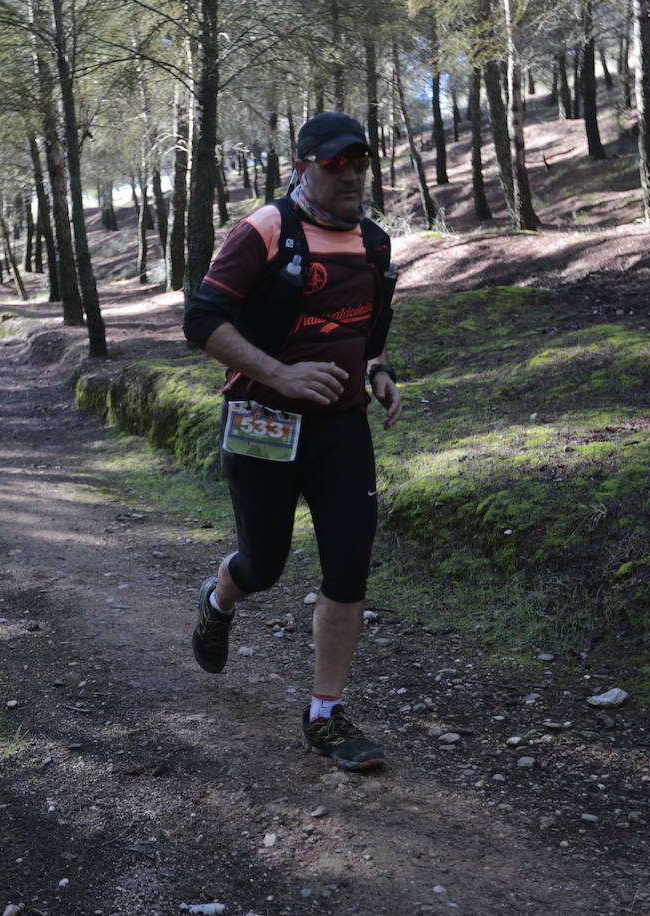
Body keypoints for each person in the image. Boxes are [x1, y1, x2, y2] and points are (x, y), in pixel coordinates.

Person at [182, 112, 402, 772]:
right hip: (262, 420)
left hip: (340, 424)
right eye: (335, 163)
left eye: (360, 163)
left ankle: (325, 716)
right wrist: (280, 373)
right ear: (302, 167)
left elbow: (370, 331)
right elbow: (201, 320)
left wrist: (379, 372)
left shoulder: (374, 241)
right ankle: (219, 598)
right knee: (265, 565)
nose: (351, 175)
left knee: (349, 565)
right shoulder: (264, 230)